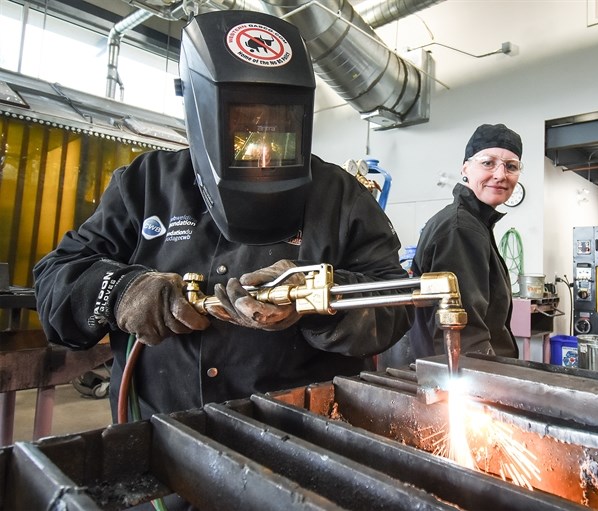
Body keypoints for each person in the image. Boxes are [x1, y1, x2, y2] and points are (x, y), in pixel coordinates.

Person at [33, 10, 411, 422]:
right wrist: (122, 291)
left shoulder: (340, 196)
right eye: (243, 125)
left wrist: (316, 301)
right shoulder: (146, 185)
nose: (261, 147)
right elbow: (57, 280)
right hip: (164, 437)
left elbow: (395, 301)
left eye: (278, 124)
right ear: (202, 109)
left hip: (304, 436)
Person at [408, 123, 522, 359]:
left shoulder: (475, 223)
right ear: (466, 168)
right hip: (461, 378)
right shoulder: (461, 228)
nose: (500, 175)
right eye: (488, 163)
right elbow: (463, 333)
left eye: (511, 166)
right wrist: (482, 390)